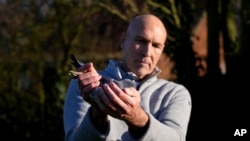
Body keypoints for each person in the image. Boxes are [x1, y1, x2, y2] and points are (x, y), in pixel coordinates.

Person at [63, 14, 192, 141]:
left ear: (162, 50)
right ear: (123, 41)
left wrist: (137, 117)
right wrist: (97, 114)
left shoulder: (175, 93)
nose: (147, 52)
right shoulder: (87, 83)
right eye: (141, 41)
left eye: (156, 45)